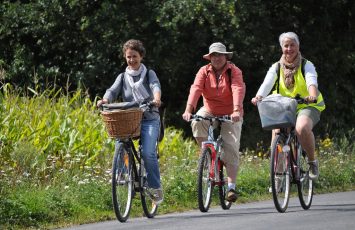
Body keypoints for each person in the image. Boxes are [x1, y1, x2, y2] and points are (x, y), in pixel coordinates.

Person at [251, 32, 325, 181]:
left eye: (292, 45)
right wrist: (259, 96)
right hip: (284, 107)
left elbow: (312, 81)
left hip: (307, 105)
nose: (289, 48)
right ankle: (278, 175)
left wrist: (312, 95)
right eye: (286, 45)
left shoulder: (306, 65)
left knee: (301, 128)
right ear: (281, 48)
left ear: (298, 46)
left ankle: (312, 162)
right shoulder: (277, 67)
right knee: (276, 133)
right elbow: (267, 83)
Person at [97, 39, 163, 205]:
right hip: (129, 118)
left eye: (134, 56)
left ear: (141, 56)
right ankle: (123, 175)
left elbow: (155, 86)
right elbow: (112, 90)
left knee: (147, 153)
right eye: (128, 57)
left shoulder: (149, 74)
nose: (131, 60)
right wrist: (105, 100)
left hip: (149, 118)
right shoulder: (122, 76)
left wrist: (156, 99)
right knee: (121, 143)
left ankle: (155, 187)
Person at [182, 42, 246, 202]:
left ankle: (231, 187)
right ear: (209, 58)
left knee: (231, 145)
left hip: (231, 112)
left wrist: (237, 110)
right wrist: (189, 109)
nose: (216, 58)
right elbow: (195, 89)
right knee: (197, 121)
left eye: (220, 55)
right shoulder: (204, 71)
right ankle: (208, 155)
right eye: (213, 55)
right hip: (209, 109)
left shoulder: (234, 71)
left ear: (226, 57)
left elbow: (238, 88)